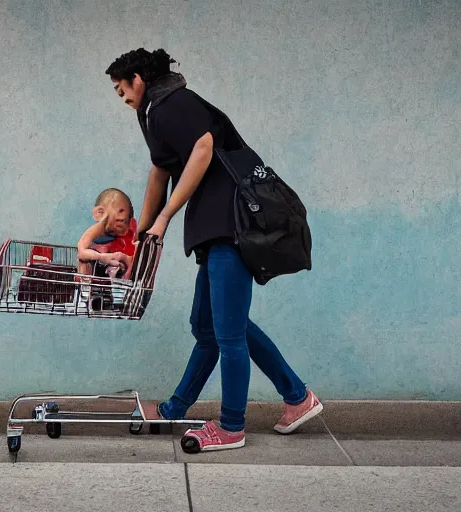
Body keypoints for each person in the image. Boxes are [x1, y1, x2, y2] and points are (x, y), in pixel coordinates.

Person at [104, 48, 322, 452]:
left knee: (227, 334)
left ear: (138, 78)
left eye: (122, 90)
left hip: (232, 226)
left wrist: (167, 216)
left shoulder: (173, 102)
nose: (124, 99)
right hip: (214, 228)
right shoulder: (153, 112)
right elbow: (160, 171)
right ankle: (287, 398)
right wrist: (142, 233)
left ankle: (232, 426)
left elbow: (203, 148)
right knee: (211, 328)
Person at [77, 188, 138, 280]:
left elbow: (131, 258)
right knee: (84, 263)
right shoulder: (96, 230)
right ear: (100, 213)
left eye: (126, 222)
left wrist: (124, 257)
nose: (125, 229)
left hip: (110, 276)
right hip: (91, 274)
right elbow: (81, 252)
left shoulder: (125, 234)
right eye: (119, 220)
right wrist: (102, 257)